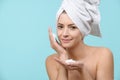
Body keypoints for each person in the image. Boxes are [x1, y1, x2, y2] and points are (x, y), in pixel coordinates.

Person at [46, 0, 114, 80]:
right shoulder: (51, 61)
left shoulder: (103, 55)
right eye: (60, 27)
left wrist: (83, 70)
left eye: (73, 27)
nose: (64, 34)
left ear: (83, 30)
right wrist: (63, 55)